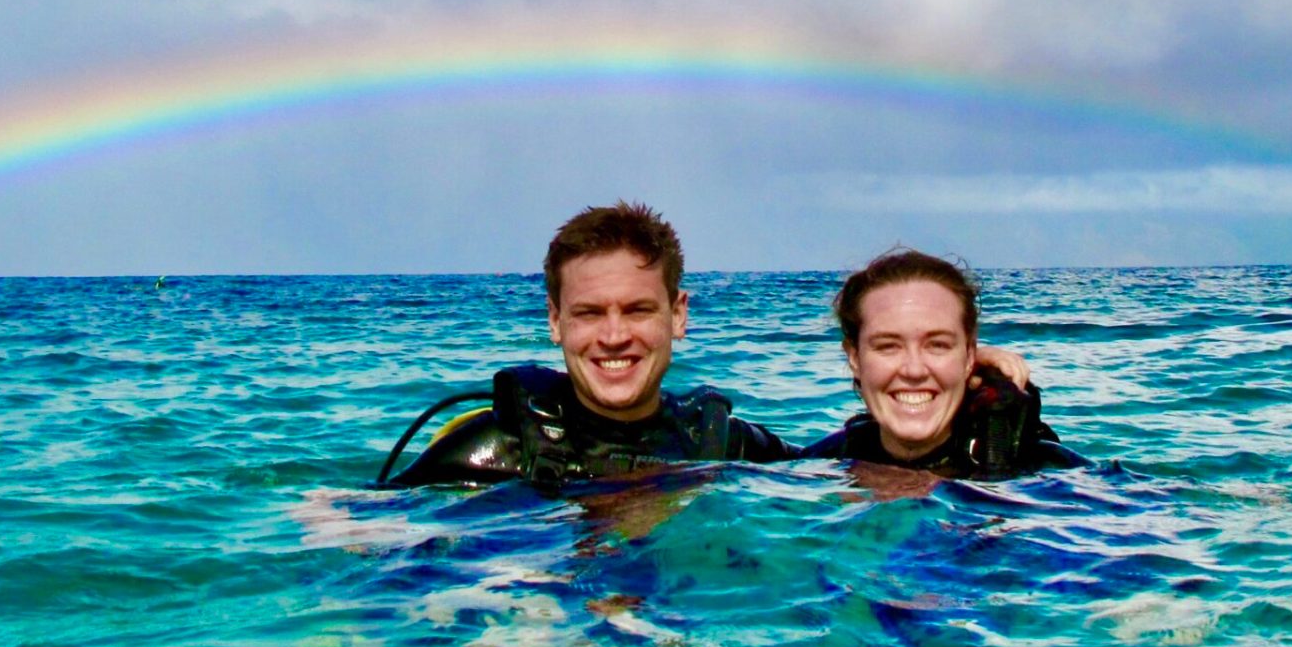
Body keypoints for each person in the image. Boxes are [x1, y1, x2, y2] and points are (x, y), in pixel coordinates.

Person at [382, 205, 1036, 490]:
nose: (614, 336)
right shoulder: (487, 450)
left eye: (638, 310)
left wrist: (966, 378)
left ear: (679, 315)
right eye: (589, 314)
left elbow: (873, 460)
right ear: (555, 321)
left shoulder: (727, 446)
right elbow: (354, 540)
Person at [803, 248, 1077, 476]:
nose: (914, 370)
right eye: (888, 346)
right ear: (854, 357)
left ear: (970, 355)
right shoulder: (821, 465)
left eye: (938, 345)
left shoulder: (1051, 472)